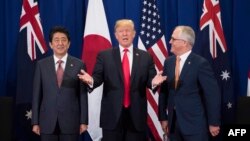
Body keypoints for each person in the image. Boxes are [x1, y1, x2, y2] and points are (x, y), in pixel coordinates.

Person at [78, 19, 166, 141]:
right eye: (121, 31)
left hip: (136, 116)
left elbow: (150, 80)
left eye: (128, 31)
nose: (125, 34)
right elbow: (98, 78)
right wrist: (91, 80)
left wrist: (153, 82)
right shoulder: (105, 55)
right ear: (116, 35)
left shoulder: (146, 56)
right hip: (111, 116)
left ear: (134, 33)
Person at [158, 25, 221, 141]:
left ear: (184, 42)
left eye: (173, 39)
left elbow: (212, 94)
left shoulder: (200, 64)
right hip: (173, 124)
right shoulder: (169, 62)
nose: (170, 41)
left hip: (194, 125)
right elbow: (164, 92)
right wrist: (163, 117)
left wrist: (214, 122)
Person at [32, 26, 88, 141]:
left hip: (71, 121)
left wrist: (83, 121)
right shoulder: (41, 65)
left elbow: (82, 95)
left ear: (69, 44)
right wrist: (35, 122)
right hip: (47, 121)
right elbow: (36, 95)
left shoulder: (79, 64)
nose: (60, 43)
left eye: (63, 40)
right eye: (56, 40)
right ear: (51, 44)